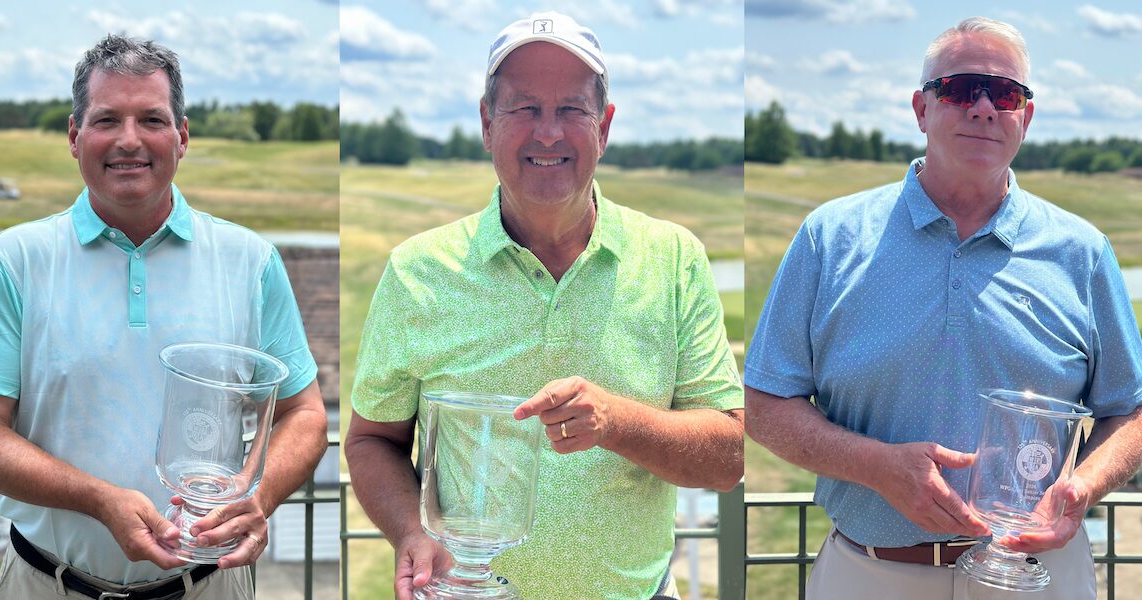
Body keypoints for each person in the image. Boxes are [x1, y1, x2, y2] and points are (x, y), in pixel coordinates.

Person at [345, 11, 745, 600]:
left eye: (571, 110)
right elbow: (371, 441)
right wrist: (410, 530)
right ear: (487, 124)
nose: (549, 133)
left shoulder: (673, 258)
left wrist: (616, 421)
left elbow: (728, 456)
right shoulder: (418, 270)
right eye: (524, 108)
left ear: (604, 127)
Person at [745, 17, 1142, 600]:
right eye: (958, 88)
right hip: (870, 572)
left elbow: (1130, 412)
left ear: (1024, 118)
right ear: (921, 109)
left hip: (1036, 578)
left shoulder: (1081, 253)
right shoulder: (829, 238)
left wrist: (1083, 485)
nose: (982, 107)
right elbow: (763, 403)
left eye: (1005, 93)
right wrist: (874, 465)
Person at [0, 34, 328, 600]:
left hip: (208, 586)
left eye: (152, 118)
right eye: (106, 120)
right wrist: (101, 500)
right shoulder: (14, 261)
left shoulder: (250, 262)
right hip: (46, 584)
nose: (129, 141)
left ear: (183, 136)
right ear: (75, 138)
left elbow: (306, 414)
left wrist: (260, 495)